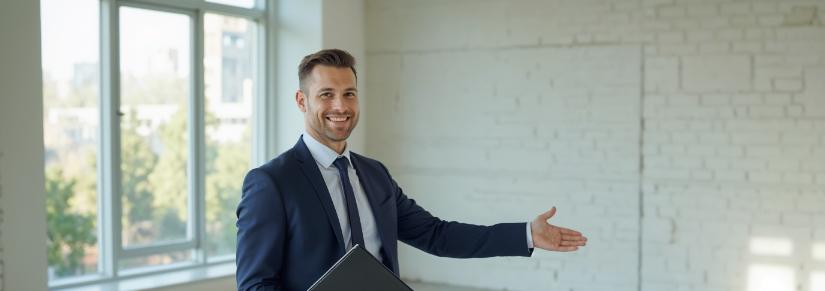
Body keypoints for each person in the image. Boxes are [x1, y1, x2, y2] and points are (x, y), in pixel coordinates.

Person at [235, 49, 588, 291]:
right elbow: (255, 284)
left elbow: (436, 234)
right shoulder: (272, 182)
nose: (340, 106)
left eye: (349, 93)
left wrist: (525, 234)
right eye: (326, 94)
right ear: (302, 101)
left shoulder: (374, 175)